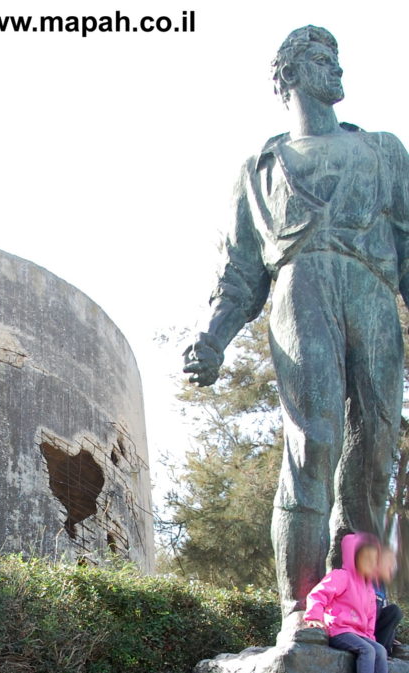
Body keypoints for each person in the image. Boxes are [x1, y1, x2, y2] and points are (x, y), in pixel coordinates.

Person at [182, 25, 409, 632]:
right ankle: (301, 613)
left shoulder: (386, 152)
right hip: (300, 292)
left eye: (336, 57)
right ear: (287, 75)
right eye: (319, 57)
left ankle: (366, 609)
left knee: (375, 459)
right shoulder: (260, 169)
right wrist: (213, 338)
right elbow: (238, 275)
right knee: (315, 445)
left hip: (374, 299)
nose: (335, 67)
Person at [304, 533, 406, 673]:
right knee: (366, 649)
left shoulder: (368, 586)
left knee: (379, 649)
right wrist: (314, 617)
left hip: (358, 633)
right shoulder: (341, 576)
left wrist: (370, 637)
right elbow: (318, 594)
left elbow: (370, 617)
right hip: (340, 630)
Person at [374, 547, 407, 658]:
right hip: (361, 626)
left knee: (394, 611)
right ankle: (381, 653)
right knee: (394, 611)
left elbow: (384, 616)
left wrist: (391, 637)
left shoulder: (382, 586)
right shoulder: (366, 580)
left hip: (373, 628)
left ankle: (385, 652)